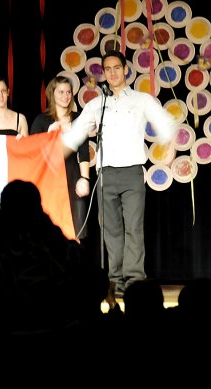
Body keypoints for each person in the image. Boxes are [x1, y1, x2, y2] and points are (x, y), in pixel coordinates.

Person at [62, 50, 178, 300]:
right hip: (106, 174)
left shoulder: (141, 100)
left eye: (117, 68)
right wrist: (54, 152)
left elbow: (166, 122)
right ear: (103, 73)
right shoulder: (97, 103)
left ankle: (135, 280)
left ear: (126, 69)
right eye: (108, 69)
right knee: (111, 230)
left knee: (133, 228)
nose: (112, 73)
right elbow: (74, 134)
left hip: (132, 172)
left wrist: (170, 146)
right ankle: (115, 279)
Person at [30, 75, 90, 242]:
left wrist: (84, 178)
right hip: (48, 182)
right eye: (61, 92)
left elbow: (84, 152)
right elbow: (32, 152)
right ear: (52, 93)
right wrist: (48, 135)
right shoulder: (42, 120)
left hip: (72, 178)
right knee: (48, 232)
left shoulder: (79, 118)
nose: (65, 96)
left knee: (75, 231)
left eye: (68, 92)